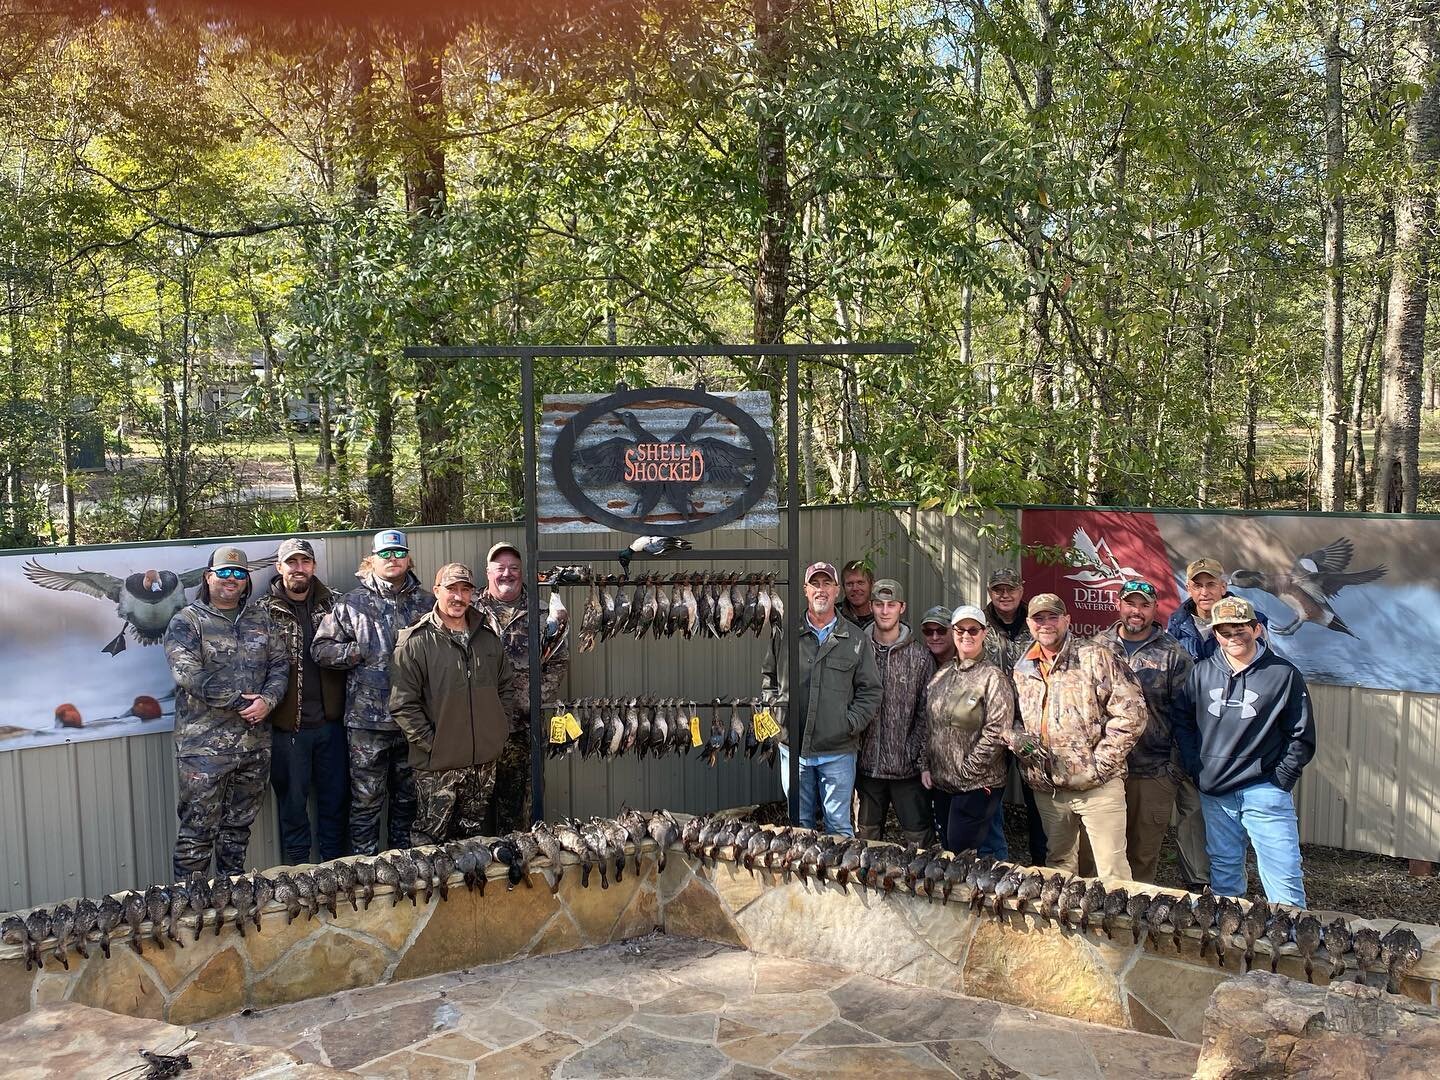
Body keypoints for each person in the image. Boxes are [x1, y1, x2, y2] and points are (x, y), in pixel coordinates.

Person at [1174, 596, 1314, 906]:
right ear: (1215, 634)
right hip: (1215, 792)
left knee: (1284, 875)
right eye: (1224, 631)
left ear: (1257, 629)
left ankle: (1290, 941)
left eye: (1241, 629)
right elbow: (1182, 720)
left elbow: (1300, 733)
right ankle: (1233, 943)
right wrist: (1196, 766)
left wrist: (1280, 779)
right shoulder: (1202, 672)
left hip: (1264, 789)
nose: (1233, 637)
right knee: (1224, 875)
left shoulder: (1283, 674)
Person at [164, 545, 287, 877]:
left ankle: (231, 902)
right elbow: (187, 674)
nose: (232, 580)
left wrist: (268, 701)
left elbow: (280, 666)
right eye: (224, 573)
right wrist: (241, 702)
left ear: (246, 581)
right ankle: (190, 910)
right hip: (203, 749)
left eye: (239, 574)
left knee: (238, 831)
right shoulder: (187, 621)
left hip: (254, 745)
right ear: (208, 578)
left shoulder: (261, 618)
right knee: (197, 834)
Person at [313, 529, 434, 855]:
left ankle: (403, 871)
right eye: (385, 554)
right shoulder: (352, 603)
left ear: (408, 559)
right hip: (367, 725)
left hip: (414, 725)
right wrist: (357, 652)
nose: (392, 559)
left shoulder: (427, 603)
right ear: (373, 560)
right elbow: (320, 649)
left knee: (409, 803)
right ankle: (364, 875)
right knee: (366, 804)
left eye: (398, 552)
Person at [1012, 593, 1148, 881]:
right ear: (1029, 623)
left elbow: (1131, 714)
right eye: (1039, 618)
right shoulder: (1022, 667)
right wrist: (1020, 743)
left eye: (1053, 617)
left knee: (1112, 872)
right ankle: (1065, 928)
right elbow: (1014, 717)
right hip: (1049, 790)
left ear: (1067, 620)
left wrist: (1098, 765)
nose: (1046, 624)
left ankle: (1117, 927)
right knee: (1058, 867)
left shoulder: (1095, 656)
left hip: (1097, 788)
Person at [389, 563, 519, 845]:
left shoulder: (488, 638)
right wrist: (434, 745)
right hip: (438, 766)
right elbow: (403, 704)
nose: (458, 597)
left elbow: (506, 687)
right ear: (436, 591)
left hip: (482, 763)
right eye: (451, 589)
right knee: (429, 844)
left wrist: (498, 731)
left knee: (471, 842)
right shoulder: (415, 642)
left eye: (465, 590)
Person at [1166, 555, 1270, 889]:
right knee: (1192, 811)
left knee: (1239, 814)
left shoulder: (1251, 621)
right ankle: (1200, 884)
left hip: (1238, 735)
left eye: (1212, 583)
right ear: (1189, 587)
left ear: (1224, 586)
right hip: (1192, 732)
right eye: (1198, 584)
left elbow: (1269, 677)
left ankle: (1232, 885)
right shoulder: (1176, 624)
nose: (1205, 590)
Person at [761, 560, 882, 836]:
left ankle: (838, 880)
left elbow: (871, 690)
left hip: (838, 751)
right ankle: (802, 881)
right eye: (815, 583)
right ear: (805, 590)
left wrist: (848, 723)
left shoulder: (854, 638)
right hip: (793, 747)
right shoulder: (785, 633)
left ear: (837, 590)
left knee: (838, 826)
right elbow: (768, 677)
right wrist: (776, 713)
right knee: (799, 826)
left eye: (827, 583)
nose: (821, 590)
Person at [256, 537, 349, 864]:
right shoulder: (261, 612)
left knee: (335, 804)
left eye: (305, 562)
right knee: (293, 809)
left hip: (331, 726)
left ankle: (337, 875)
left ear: (313, 566)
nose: (299, 568)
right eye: (291, 562)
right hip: (287, 730)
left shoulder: (337, 605)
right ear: (279, 567)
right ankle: (298, 881)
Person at [1095, 579, 1194, 883]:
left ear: (1154, 609)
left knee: (1141, 855)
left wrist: (1173, 770)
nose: (1136, 611)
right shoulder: (1096, 647)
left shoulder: (1173, 653)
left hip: (1152, 771)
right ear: (1119, 605)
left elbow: (1187, 716)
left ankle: (1135, 921)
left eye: (1144, 605)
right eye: (1130, 603)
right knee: (1098, 854)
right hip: (1103, 770)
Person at [473, 541, 568, 834]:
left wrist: (532, 702)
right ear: (488, 572)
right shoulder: (468, 610)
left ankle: (518, 868)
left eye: (514, 568)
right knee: (472, 806)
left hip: (524, 728)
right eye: (500, 568)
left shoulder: (543, 613)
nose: (507, 574)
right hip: (476, 727)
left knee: (519, 808)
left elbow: (558, 662)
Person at [923, 605, 1015, 852]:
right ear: (953, 633)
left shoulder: (992, 677)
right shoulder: (942, 674)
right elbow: (929, 723)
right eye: (960, 629)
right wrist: (926, 766)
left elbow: (997, 732)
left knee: (970, 852)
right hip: (943, 783)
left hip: (976, 785)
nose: (966, 635)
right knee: (952, 850)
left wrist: (967, 771)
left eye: (973, 630)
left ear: (984, 633)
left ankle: (993, 890)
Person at [855, 579, 934, 845]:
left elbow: (927, 714)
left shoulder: (920, 657)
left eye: (891, 605)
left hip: (906, 770)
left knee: (918, 841)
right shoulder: (856, 650)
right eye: (879, 604)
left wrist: (916, 755)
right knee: (865, 841)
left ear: (902, 608)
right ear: (871, 606)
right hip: (866, 769)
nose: (885, 611)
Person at [982, 566, 1047, 866]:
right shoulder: (978, 625)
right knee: (989, 794)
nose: (1004, 594)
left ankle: (1043, 864)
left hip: (1032, 724)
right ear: (990, 592)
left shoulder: (1037, 625)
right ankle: (992, 860)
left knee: (1038, 795)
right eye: (998, 589)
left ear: (1021, 590)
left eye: (1010, 588)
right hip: (992, 724)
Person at [918, 603, 960, 841]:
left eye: (940, 631)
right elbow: (925, 721)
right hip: (935, 769)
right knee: (944, 831)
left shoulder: (968, 664)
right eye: (928, 631)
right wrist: (924, 763)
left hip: (970, 773)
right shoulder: (923, 663)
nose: (934, 636)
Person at [839, 559, 875, 628]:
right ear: (843, 587)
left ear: (872, 585)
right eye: (849, 584)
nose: (855, 588)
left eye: (860, 583)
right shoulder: (834, 615)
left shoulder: (883, 614)